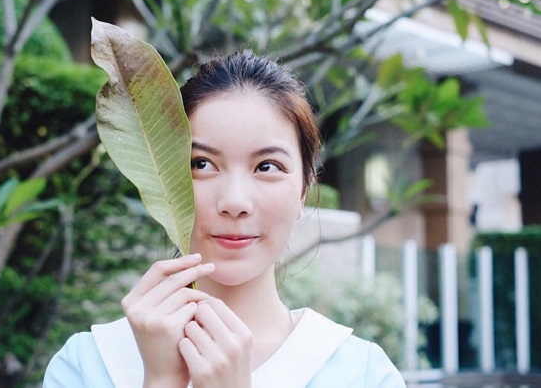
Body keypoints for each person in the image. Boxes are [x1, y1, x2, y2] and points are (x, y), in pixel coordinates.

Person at [43, 51, 406, 387]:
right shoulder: (88, 364)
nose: (234, 202)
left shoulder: (364, 374)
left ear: (303, 189)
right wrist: (162, 380)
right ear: (161, 177)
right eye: (202, 164)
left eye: (267, 166)